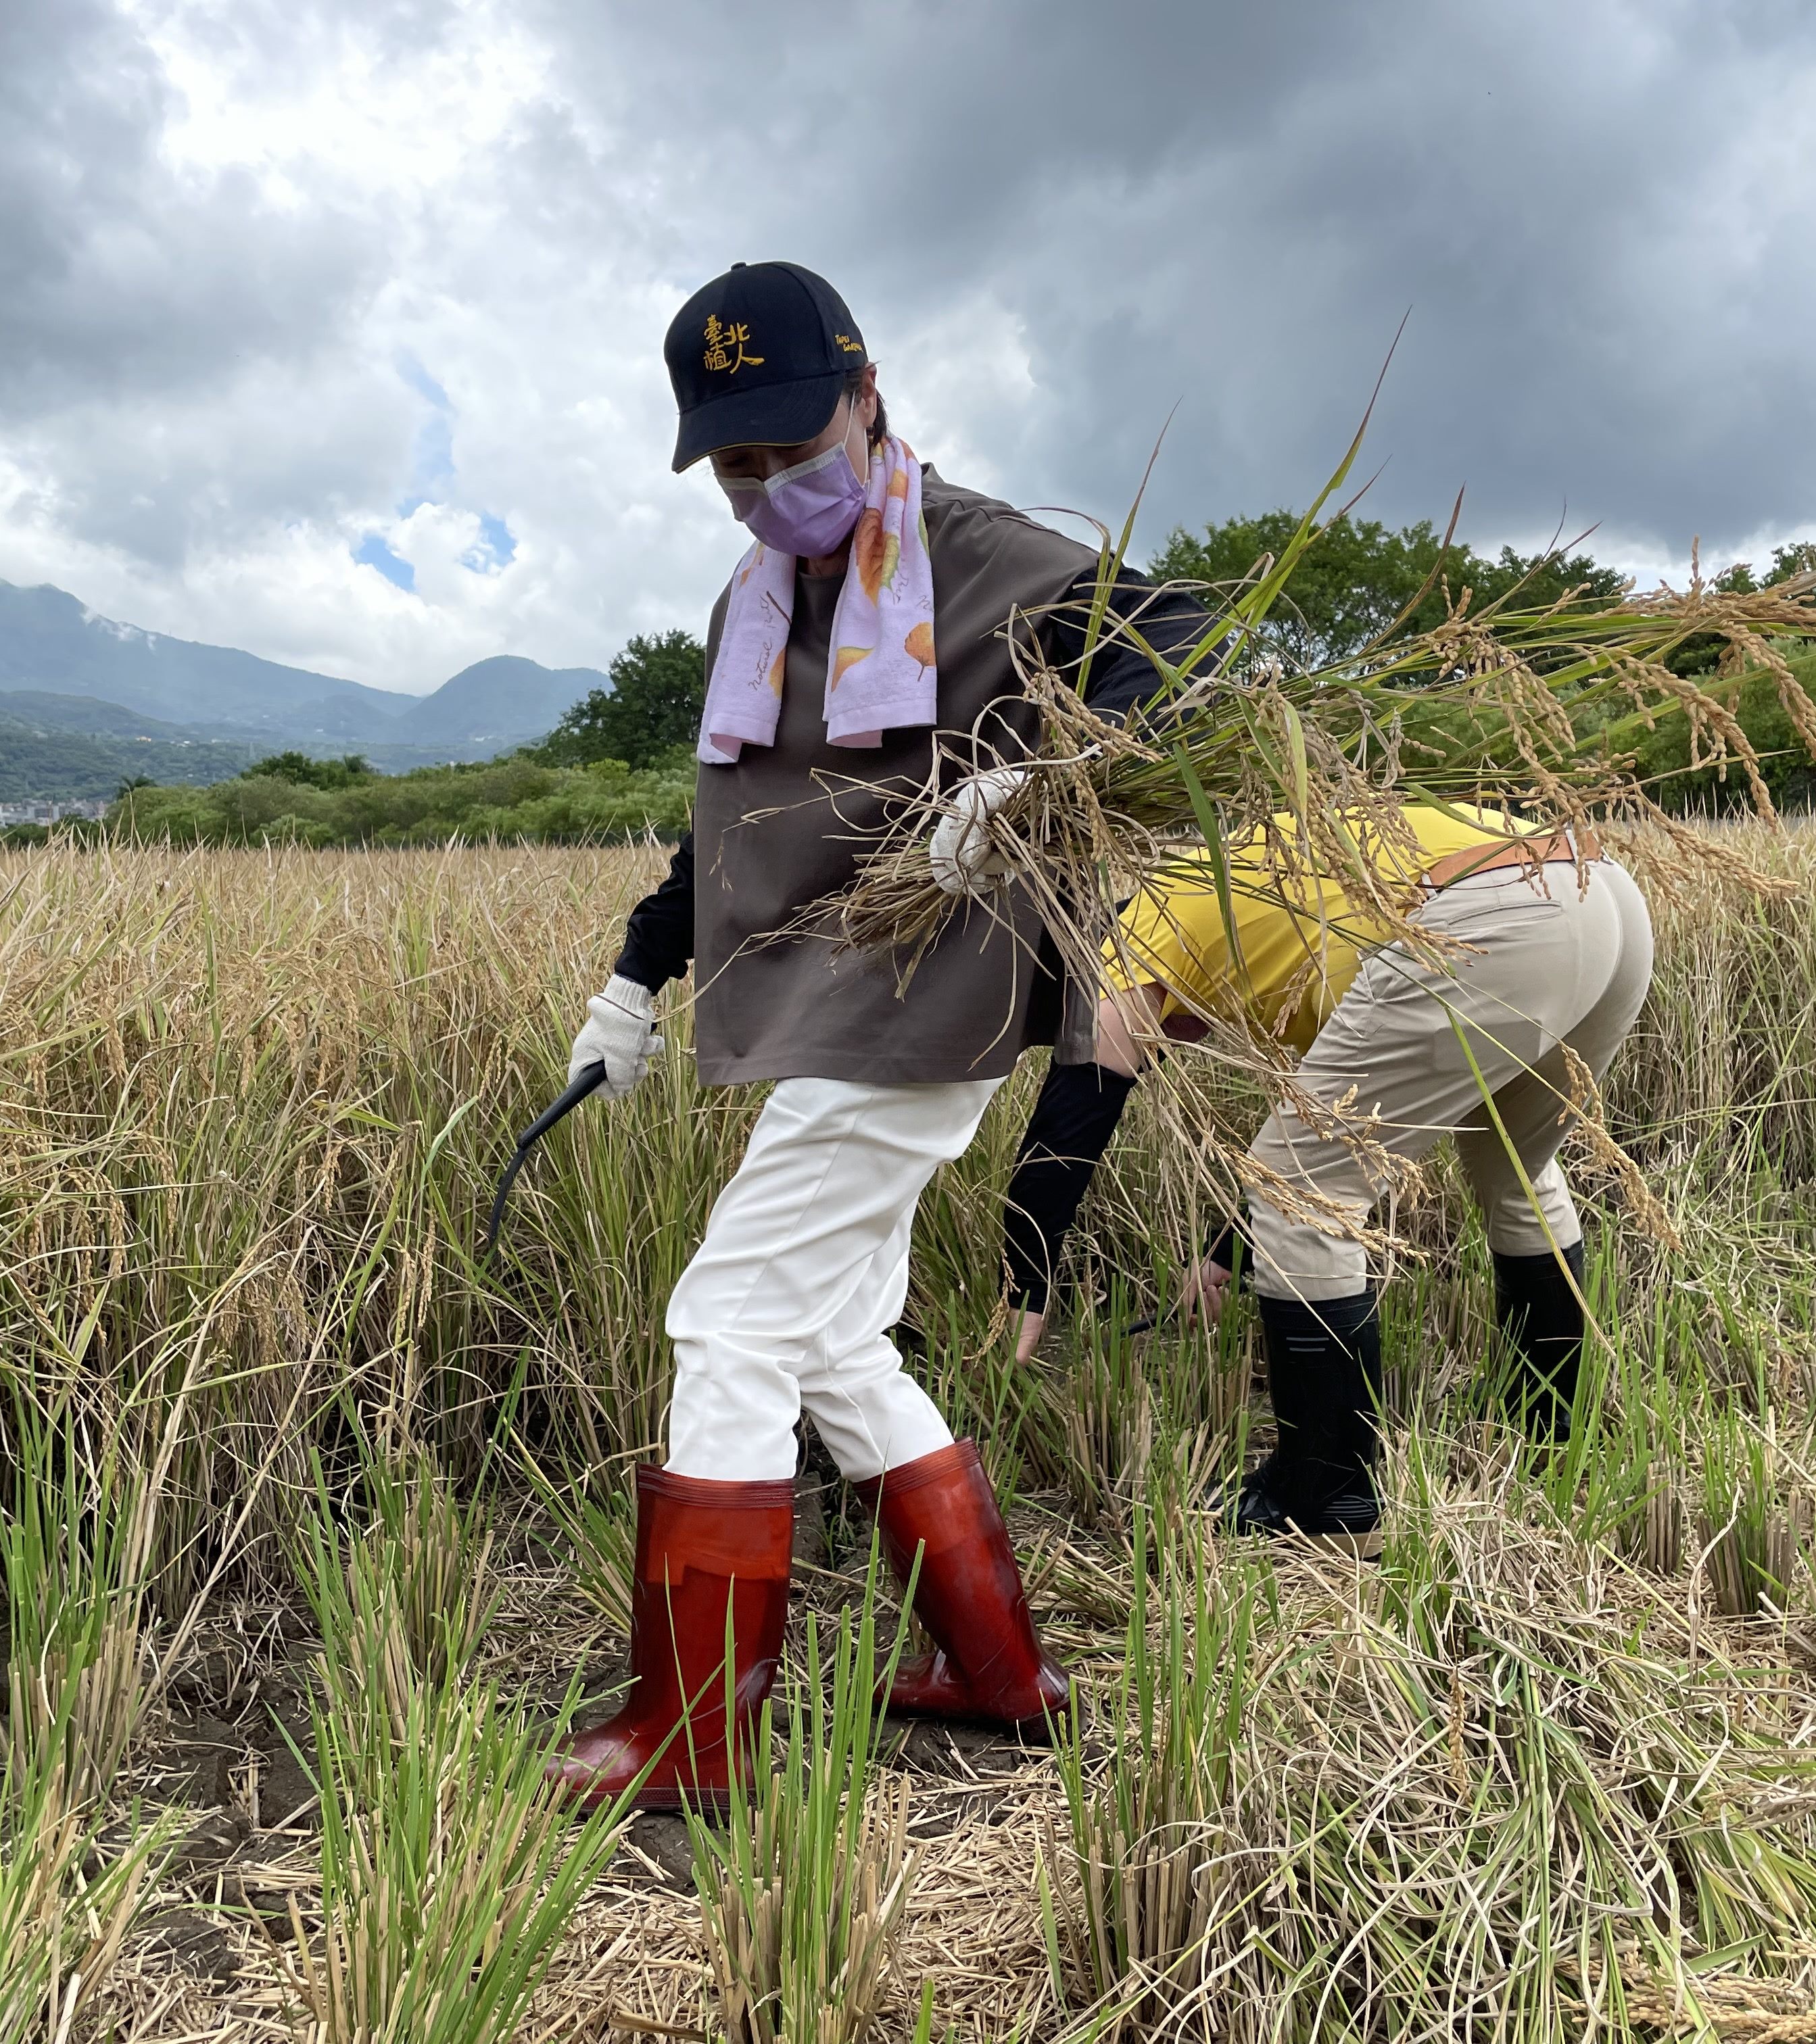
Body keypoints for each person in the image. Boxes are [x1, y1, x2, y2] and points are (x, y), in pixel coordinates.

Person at [544, 261, 1206, 1809]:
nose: (770, 484)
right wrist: (636, 986)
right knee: (834, 1340)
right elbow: (735, 832)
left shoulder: (983, 558)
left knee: (727, 1327)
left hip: (928, 999)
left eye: (793, 442)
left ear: (869, 395)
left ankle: (693, 1733)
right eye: (736, 463)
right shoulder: (763, 602)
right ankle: (995, 1670)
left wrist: (1037, 775)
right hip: (829, 1002)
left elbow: (1180, 646)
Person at [1002, 803, 1654, 1544]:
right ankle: (1548, 1421)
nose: (1166, 1046)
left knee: (1310, 1199)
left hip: (1491, 913)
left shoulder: (1131, 936)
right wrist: (1223, 1261)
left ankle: (1327, 1501)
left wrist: (1021, 1291)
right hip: (1595, 893)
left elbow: (1068, 1129)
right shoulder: (1239, 925)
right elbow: (1319, 1129)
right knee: (1515, 1166)